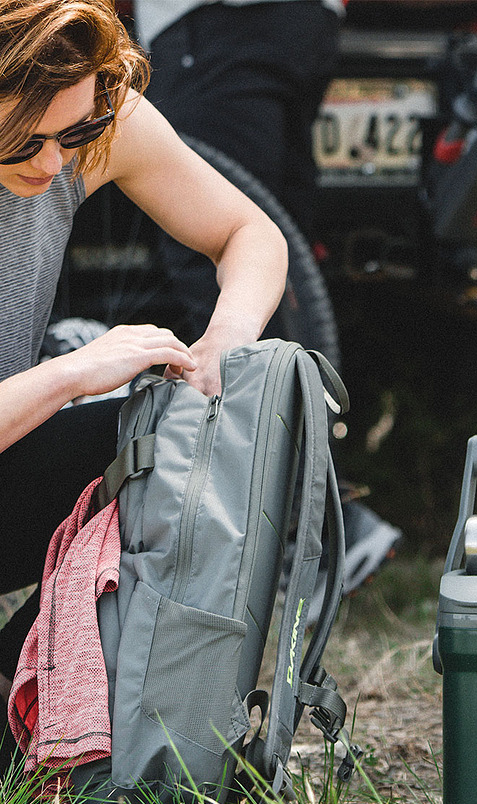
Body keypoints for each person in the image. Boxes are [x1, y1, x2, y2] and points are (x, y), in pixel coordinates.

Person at [0, 0, 288, 761]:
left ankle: (23, 687)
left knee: (177, 437)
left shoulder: (90, 115)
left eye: (78, 134)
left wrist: (222, 343)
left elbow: (248, 232)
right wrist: (72, 374)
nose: (54, 162)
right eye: (25, 140)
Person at [132, 0, 402, 603]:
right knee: (281, 259)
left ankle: (311, 528)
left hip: (214, 17)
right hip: (305, 24)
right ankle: (312, 520)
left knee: (217, 256)